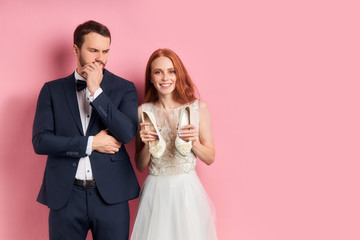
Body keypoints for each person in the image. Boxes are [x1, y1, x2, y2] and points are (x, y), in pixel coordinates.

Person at [32, 20, 140, 240]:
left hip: (111, 196)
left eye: (105, 51)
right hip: (66, 196)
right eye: (93, 50)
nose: (100, 57)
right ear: (75, 49)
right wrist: (91, 143)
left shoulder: (125, 88)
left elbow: (127, 133)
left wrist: (96, 92)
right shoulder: (51, 90)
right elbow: (41, 141)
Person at [130, 48, 218, 240]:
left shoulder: (197, 108)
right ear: (151, 78)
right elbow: (140, 165)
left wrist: (192, 142)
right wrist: (147, 145)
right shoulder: (142, 112)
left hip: (186, 190)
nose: (165, 78)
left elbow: (210, 157)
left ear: (179, 74)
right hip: (156, 191)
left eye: (171, 71)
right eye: (158, 72)